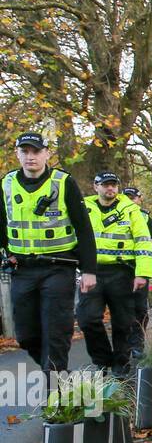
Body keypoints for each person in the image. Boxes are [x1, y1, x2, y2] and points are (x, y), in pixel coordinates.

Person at [1, 132, 96, 375]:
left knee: (56, 332)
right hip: (22, 270)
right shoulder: (7, 183)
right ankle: (56, 375)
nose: (30, 157)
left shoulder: (63, 182)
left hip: (58, 267)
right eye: (25, 151)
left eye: (35, 151)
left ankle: (56, 395)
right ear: (17, 153)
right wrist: (6, 252)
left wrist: (89, 270)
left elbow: (84, 229)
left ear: (46, 154)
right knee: (25, 335)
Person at [77, 173, 152, 377]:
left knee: (123, 322)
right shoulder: (83, 207)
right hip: (91, 272)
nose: (110, 189)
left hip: (122, 272)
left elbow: (143, 242)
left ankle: (121, 364)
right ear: (95, 186)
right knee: (87, 318)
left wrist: (142, 273)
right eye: (105, 185)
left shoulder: (130, 210)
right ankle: (102, 360)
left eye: (113, 185)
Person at [122, 186, 152, 342]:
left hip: (140, 268)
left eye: (133, 198)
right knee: (122, 308)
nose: (130, 201)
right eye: (126, 197)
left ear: (139, 199)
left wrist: (140, 238)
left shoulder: (145, 218)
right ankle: (124, 346)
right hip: (119, 269)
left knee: (140, 309)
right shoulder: (115, 216)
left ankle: (138, 344)